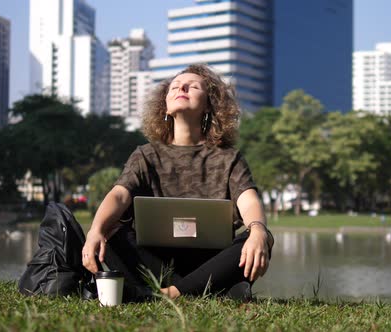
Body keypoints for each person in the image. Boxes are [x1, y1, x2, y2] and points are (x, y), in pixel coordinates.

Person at [81, 64, 274, 302]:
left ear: (209, 106)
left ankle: (167, 293)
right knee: (110, 231)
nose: (181, 88)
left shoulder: (228, 157)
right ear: (165, 107)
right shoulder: (145, 155)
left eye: (192, 86)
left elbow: (249, 199)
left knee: (261, 235)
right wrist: (95, 230)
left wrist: (257, 230)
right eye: (174, 87)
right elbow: (119, 195)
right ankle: (215, 289)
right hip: (157, 261)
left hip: (210, 262)